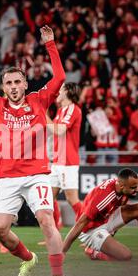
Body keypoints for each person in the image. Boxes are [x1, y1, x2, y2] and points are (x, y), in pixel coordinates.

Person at [0, 26, 66, 276]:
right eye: (8, 83)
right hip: (8, 177)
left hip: (37, 175)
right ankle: (28, 258)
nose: (13, 87)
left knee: (46, 218)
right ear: (4, 87)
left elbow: (59, 77)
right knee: (0, 229)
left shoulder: (39, 100)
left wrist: (50, 44)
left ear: (25, 84)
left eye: (17, 82)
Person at [63, 168, 138, 262]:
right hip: (90, 230)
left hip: (105, 220)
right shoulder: (104, 197)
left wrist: (111, 232)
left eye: (137, 186)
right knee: (125, 256)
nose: (137, 190)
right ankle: (93, 252)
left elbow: (116, 211)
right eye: (133, 188)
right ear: (121, 186)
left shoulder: (122, 188)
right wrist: (62, 251)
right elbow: (80, 223)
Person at [46, 82, 83, 229]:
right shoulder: (61, 110)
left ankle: (92, 232)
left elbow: (59, 130)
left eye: (60, 90)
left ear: (67, 92)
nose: (57, 93)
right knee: (49, 198)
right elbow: (52, 130)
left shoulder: (73, 109)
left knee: (72, 198)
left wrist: (43, 114)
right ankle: (53, 234)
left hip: (68, 162)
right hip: (57, 161)